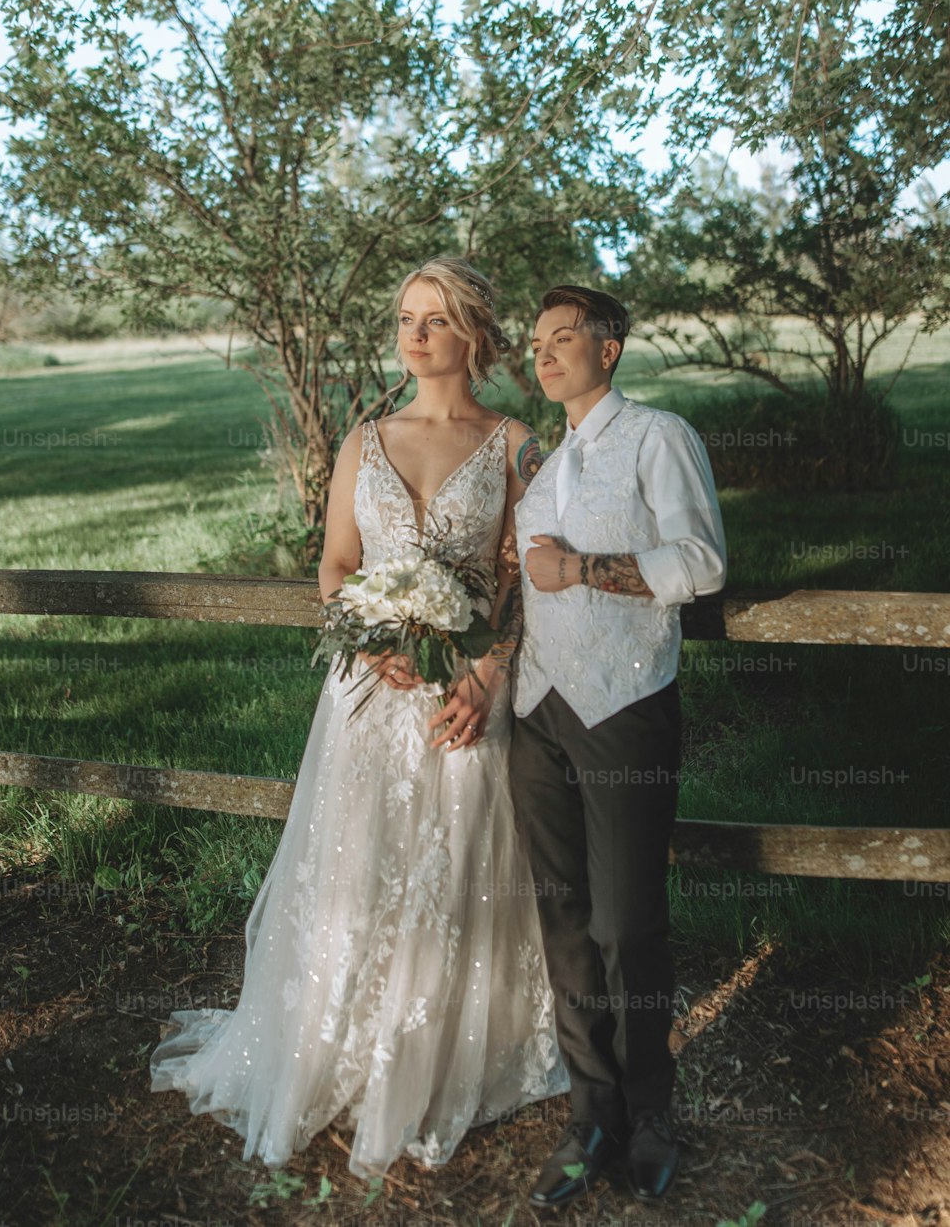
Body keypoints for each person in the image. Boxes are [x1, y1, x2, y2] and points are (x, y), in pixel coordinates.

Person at [149, 256, 568, 1179]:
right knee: (354, 859)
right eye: (407, 316)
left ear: (474, 335)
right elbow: (336, 567)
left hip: (465, 693)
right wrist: (369, 634)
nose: (415, 334)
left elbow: (524, 581)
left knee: (451, 862)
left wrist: (486, 676)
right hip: (366, 693)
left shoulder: (515, 446)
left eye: (436, 318)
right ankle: (336, 1038)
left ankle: (438, 1048)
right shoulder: (363, 441)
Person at [509, 284, 728, 1209]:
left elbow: (703, 561)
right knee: (562, 922)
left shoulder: (658, 437)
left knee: (626, 923)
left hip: (627, 708)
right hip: (538, 712)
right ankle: (588, 1114)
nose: (546, 353)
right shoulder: (544, 462)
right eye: (536, 342)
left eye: (566, 338)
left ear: (611, 350)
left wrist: (584, 570)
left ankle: (649, 1115)